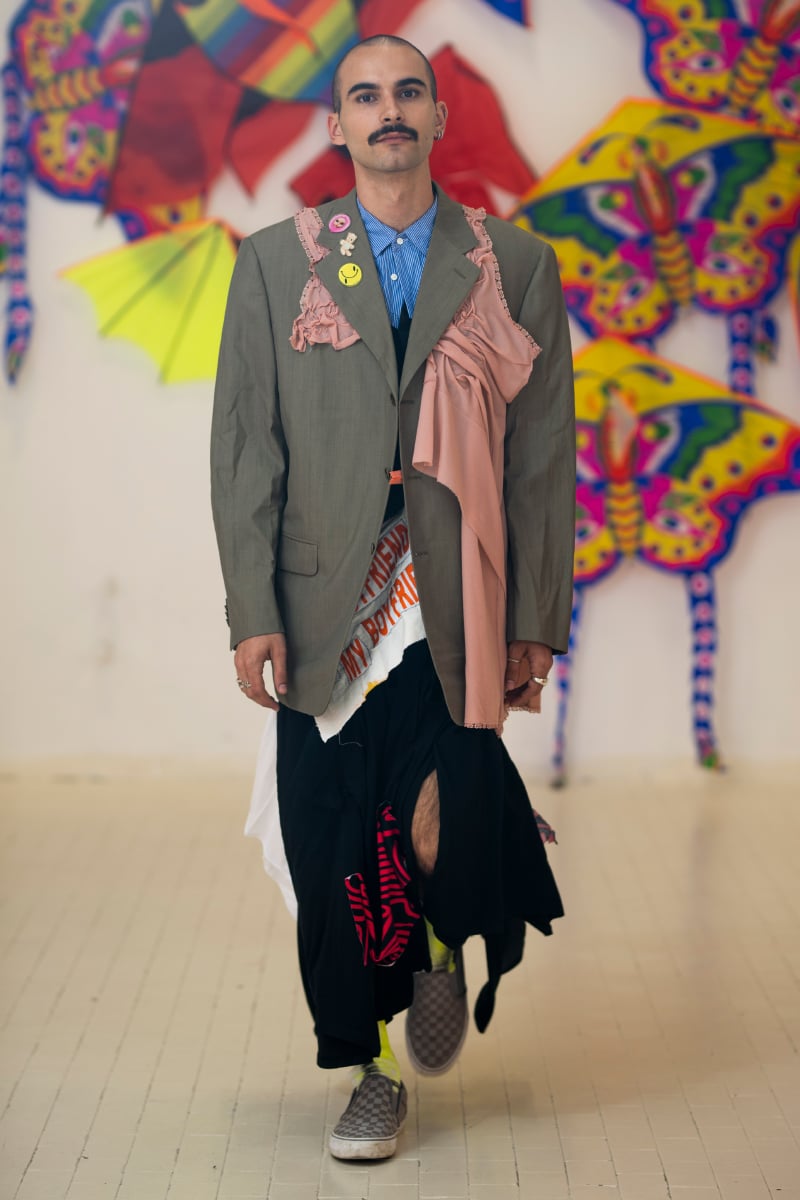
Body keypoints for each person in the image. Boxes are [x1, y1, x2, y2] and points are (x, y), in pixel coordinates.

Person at [211, 34, 576, 1163]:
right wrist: (250, 607)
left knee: (442, 807)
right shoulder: (276, 263)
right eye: (364, 96)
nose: (388, 111)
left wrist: (536, 619)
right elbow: (246, 448)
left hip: (452, 594)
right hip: (324, 602)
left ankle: (438, 945)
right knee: (335, 849)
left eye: (407, 91)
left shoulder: (512, 262)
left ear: (435, 114)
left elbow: (541, 459)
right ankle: (367, 1072)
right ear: (337, 126)